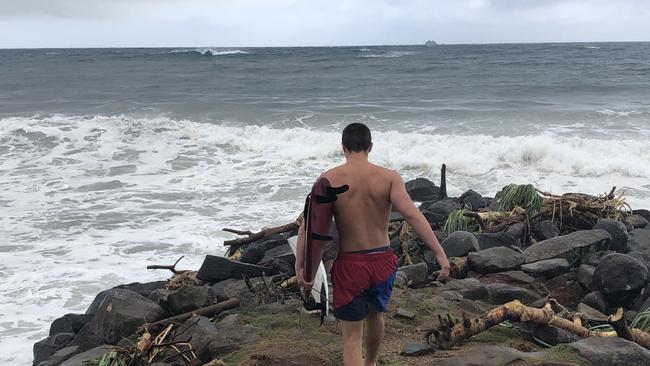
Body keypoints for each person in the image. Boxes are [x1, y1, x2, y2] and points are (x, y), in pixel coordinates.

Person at [295, 122, 450, 366]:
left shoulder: (329, 179)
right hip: (383, 261)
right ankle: (371, 363)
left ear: (343, 147)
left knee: (351, 338)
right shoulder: (389, 178)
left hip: (351, 265)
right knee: (376, 313)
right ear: (370, 146)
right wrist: (439, 252)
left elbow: (310, 227)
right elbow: (413, 215)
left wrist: (301, 268)